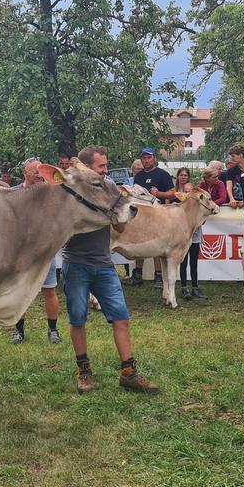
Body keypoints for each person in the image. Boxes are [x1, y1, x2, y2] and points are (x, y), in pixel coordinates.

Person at [63, 145, 158, 395]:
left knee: (121, 317)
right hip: (76, 264)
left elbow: (121, 229)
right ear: (86, 167)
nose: (106, 171)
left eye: (106, 165)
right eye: (101, 166)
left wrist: (118, 218)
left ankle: (129, 373)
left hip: (104, 265)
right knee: (78, 318)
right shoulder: (70, 192)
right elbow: (63, 236)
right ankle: (84, 371)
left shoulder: (111, 189)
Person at [9, 159, 63, 346]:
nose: (40, 176)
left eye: (42, 172)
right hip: (20, 253)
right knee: (19, 291)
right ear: (25, 173)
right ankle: (19, 332)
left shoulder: (51, 193)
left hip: (44, 252)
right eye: (35, 173)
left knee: (49, 290)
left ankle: (53, 330)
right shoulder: (14, 193)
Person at [131, 148, 176, 287]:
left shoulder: (163, 174)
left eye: (149, 157)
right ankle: (138, 273)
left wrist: (159, 194)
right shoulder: (138, 176)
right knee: (139, 243)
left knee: (157, 246)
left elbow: (173, 193)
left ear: (154, 158)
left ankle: (158, 276)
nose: (146, 160)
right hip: (140, 216)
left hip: (158, 216)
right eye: (143, 158)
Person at [178, 181, 206, 300]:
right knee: (183, 263)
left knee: (194, 263)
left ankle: (195, 287)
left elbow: (203, 221)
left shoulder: (199, 206)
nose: (188, 193)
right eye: (186, 191)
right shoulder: (180, 206)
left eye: (190, 191)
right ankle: (184, 288)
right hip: (183, 238)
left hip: (195, 238)